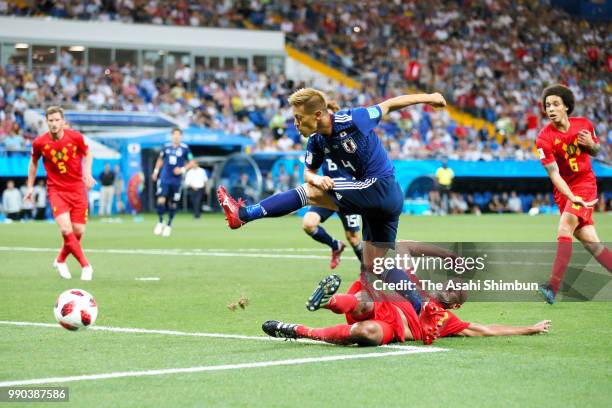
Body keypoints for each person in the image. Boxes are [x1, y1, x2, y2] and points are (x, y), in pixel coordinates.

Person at [217, 88, 446, 275]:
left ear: (317, 115)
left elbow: (389, 104)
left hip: (380, 186)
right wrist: (318, 178)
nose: (295, 124)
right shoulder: (316, 141)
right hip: (370, 198)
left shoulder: (353, 119)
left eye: (298, 118)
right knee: (375, 265)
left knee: (309, 194)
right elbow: (308, 173)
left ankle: (245, 214)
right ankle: (422, 308)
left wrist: (431, 98)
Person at [263, 274, 552, 346]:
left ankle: (297, 330)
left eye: (454, 291)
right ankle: (327, 300)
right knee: (366, 301)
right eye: (448, 284)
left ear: (457, 304)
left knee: (367, 334)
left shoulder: (448, 319)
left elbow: (488, 330)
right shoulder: (419, 290)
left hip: (393, 329)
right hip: (381, 303)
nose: (447, 288)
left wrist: (530, 328)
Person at [535, 84, 611, 304]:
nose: (551, 108)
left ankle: (552, 286)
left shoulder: (584, 125)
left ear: (567, 106)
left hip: (585, 183)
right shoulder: (543, 139)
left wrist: (591, 145)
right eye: (547, 105)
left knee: (564, 227)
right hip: (565, 191)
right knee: (592, 243)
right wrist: (571, 197)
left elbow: (596, 150)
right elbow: (554, 174)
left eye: (556, 104)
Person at [24, 106, 96, 280]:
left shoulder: (75, 137)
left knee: (78, 231)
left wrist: (87, 173)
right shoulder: (40, 143)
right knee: (65, 229)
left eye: (57, 120)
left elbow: (88, 153)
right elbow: (33, 163)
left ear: (63, 121)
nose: (54, 124)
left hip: (77, 189)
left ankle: (60, 259)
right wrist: (30, 187)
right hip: (57, 190)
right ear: (46, 122)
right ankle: (86, 266)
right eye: (51, 121)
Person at [303, 157, 363, 269]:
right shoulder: (321, 142)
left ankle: (368, 271)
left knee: (353, 238)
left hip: (348, 195)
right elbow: (310, 170)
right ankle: (336, 245)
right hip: (329, 192)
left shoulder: (352, 144)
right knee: (308, 224)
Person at [151, 127, 196, 237]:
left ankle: (169, 224)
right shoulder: (166, 147)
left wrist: (182, 169)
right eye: (174, 135)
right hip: (165, 178)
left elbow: (192, 162)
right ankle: (160, 221)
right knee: (161, 199)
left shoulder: (185, 149)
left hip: (176, 180)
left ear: (181, 136)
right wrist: (156, 171)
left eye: (178, 135)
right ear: (172, 136)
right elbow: (160, 159)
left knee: (173, 203)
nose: (176, 137)